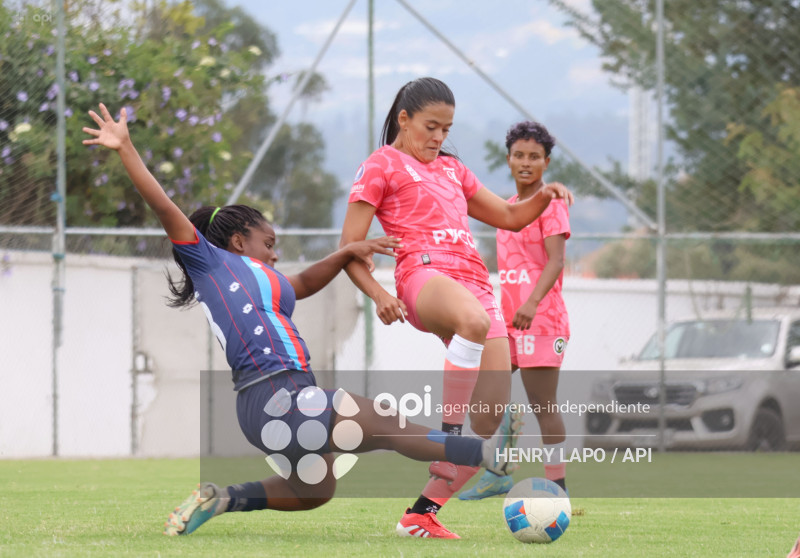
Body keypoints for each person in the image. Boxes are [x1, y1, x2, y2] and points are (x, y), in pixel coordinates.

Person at [82, 103, 514, 537]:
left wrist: (347, 252)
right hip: (281, 397)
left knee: (313, 490)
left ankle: (224, 498)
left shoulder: (265, 283)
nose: (275, 253)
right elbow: (162, 205)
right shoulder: (210, 262)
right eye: (268, 243)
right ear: (237, 240)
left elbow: (304, 282)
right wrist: (125, 149)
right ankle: (481, 452)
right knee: (385, 424)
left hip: (268, 408)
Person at [340, 78, 574, 539]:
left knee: (485, 430)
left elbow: (509, 216)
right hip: (424, 275)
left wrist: (545, 196)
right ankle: (447, 428)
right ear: (404, 119)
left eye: (446, 129)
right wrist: (380, 294)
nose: (439, 138)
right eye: (431, 127)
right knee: (473, 322)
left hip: (474, 283)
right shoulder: (380, 165)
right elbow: (348, 248)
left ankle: (420, 515)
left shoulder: (452, 169)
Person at [459, 121, 571, 500]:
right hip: (506, 320)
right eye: (519, 155)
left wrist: (532, 302)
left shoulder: (552, 204)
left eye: (534, 157)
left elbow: (555, 261)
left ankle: (558, 490)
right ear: (508, 160)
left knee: (544, 406)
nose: (526, 162)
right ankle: (498, 473)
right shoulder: (506, 209)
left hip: (540, 319)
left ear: (546, 162)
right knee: (485, 393)